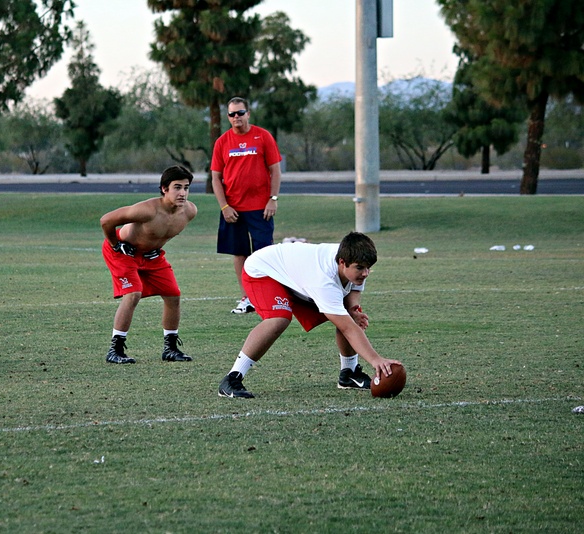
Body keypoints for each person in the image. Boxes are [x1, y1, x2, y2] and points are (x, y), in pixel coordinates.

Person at [218, 232, 403, 398]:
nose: (366, 273)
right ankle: (232, 378)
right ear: (341, 262)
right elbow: (347, 328)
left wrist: (354, 309)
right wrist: (376, 360)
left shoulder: (351, 258)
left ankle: (349, 373)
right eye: (360, 268)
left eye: (368, 268)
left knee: (349, 315)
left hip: (295, 276)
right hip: (262, 271)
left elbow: (353, 292)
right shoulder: (323, 280)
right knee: (279, 319)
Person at [100, 166, 198, 364]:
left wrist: (156, 247)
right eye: (177, 187)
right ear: (164, 189)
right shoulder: (147, 210)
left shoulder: (189, 211)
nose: (182, 193)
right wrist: (116, 245)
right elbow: (106, 220)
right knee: (133, 293)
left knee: (173, 294)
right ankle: (115, 349)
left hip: (151, 255)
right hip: (123, 252)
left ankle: (170, 349)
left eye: (186, 188)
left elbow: (162, 233)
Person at [211, 96, 282, 315]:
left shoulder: (263, 136)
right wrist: (224, 207)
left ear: (248, 114)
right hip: (233, 209)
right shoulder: (222, 142)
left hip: (260, 208)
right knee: (239, 253)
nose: (236, 118)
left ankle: (267, 296)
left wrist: (273, 199)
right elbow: (216, 177)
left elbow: (276, 171)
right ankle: (247, 297)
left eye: (240, 113)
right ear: (228, 117)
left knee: (263, 252)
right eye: (232, 114)